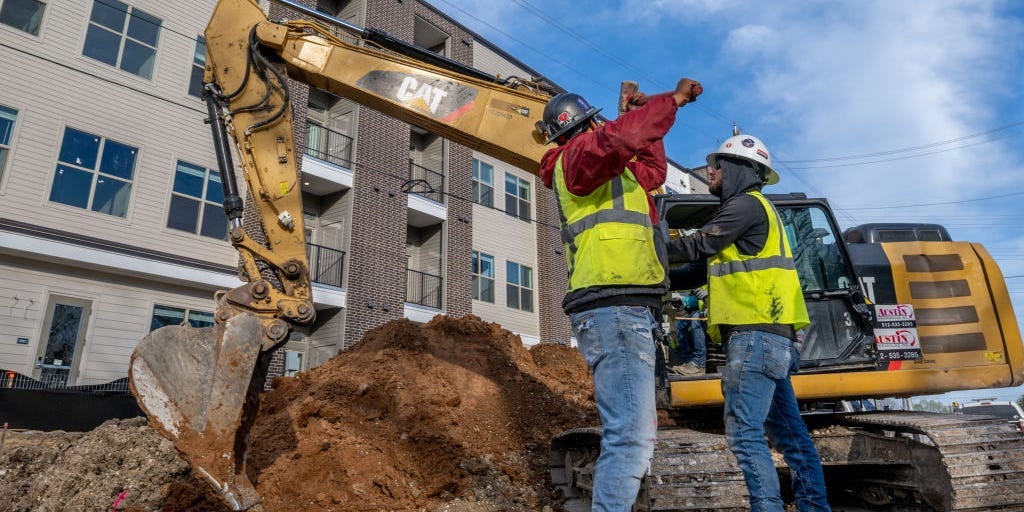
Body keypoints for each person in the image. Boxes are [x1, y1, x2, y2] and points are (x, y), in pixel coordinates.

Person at [538, 77, 702, 511]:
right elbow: (618, 139)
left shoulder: (612, 168)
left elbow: (652, 169)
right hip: (612, 305)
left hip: (627, 306)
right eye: (596, 122)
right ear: (580, 128)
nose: (602, 127)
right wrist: (673, 102)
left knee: (633, 435)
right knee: (629, 437)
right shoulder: (576, 157)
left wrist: (634, 112)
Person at [666, 133, 831, 511]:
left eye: (717, 165)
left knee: (744, 435)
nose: (710, 171)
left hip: (755, 339)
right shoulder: (756, 211)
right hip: (774, 341)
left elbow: (696, 245)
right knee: (791, 436)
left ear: (739, 169)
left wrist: (642, 247)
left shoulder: (744, 207)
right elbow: (698, 266)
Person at [669, 287, 707, 376]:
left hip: (712, 311)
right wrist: (682, 301)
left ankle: (699, 362)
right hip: (699, 312)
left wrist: (708, 295)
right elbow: (693, 302)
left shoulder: (711, 280)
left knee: (695, 318)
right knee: (679, 323)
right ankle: (688, 361)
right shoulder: (698, 282)